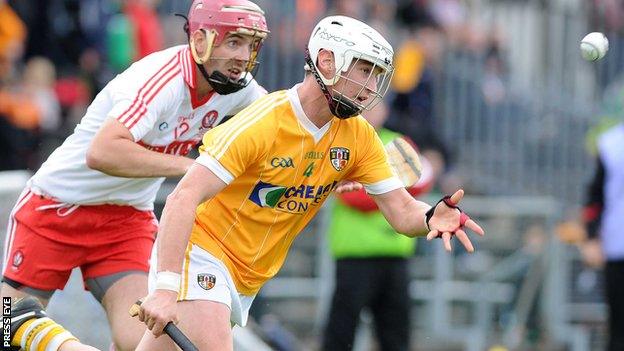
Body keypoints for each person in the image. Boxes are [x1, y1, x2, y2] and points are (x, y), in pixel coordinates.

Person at [135, 15, 485, 350]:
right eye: (365, 70)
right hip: (201, 255)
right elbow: (183, 198)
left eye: (378, 76)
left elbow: (401, 209)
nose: (371, 88)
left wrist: (428, 218)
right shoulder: (264, 123)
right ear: (327, 61)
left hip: (248, 275)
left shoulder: (359, 137)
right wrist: (166, 287)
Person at [2, 1, 269, 350]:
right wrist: (195, 170)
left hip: (126, 220)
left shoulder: (240, 89)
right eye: (234, 42)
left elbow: (282, 128)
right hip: (56, 207)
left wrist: (335, 170)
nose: (243, 56)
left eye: (252, 45)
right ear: (201, 39)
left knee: (147, 341)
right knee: (7, 326)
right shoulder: (162, 79)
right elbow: (101, 151)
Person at [322, 102, 434, 351]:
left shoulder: (396, 141)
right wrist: (394, 190)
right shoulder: (342, 140)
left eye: (378, 107)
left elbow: (423, 177)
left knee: (395, 335)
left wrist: (377, 188)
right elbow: (350, 196)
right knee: (340, 334)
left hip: (394, 256)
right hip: (354, 256)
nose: (372, 112)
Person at [580, 121, 624, 351]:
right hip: (618, 246)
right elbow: (595, 196)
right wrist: (590, 237)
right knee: (618, 327)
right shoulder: (611, 144)